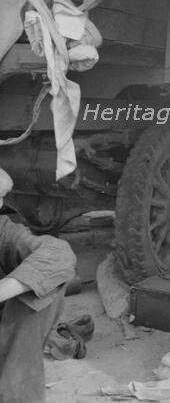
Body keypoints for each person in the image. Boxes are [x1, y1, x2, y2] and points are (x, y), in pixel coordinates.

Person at [0, 168, 77, 403]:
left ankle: (16, 395)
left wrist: (6, 288)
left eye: (1, 197)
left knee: (43, 290)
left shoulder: (2, 229)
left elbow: (58, 254)